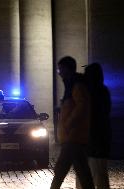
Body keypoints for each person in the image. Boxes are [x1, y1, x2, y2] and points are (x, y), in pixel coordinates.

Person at [50, 56, 95, 189]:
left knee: (60, 171)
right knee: (82, 172)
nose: (59, 73)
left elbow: (82, 106)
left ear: (68, 69)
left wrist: (69, 123)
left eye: (60, 69)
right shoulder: (71, 84)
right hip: (72, 137)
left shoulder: (76, 85)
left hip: (73, 137)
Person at [83, 63, 111, 189]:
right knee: (100, 171)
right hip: (101, 135)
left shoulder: (88, 91)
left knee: (89, 170)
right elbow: (107, 110)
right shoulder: (103, 90)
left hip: (91, 135)